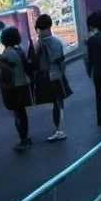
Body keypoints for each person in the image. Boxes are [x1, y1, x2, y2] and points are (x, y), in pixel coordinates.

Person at [32, 13, 70, 141]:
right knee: (58, 102)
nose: (39, 32)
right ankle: (59, 129)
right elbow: (62, 62)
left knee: (57, 103)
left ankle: (59, 130)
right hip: (55, 76)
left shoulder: (40, 43)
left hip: (48, 77)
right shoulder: (54, 42)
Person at [0, 26, 33, 151]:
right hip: (23, 85)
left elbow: (2, 73)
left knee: (18, 114)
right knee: (22, 112)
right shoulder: (20, 51)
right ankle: (25, 137)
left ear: (4, 40)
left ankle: (24, 140)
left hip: (12, 88)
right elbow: (28, 68)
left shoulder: (5, 54)